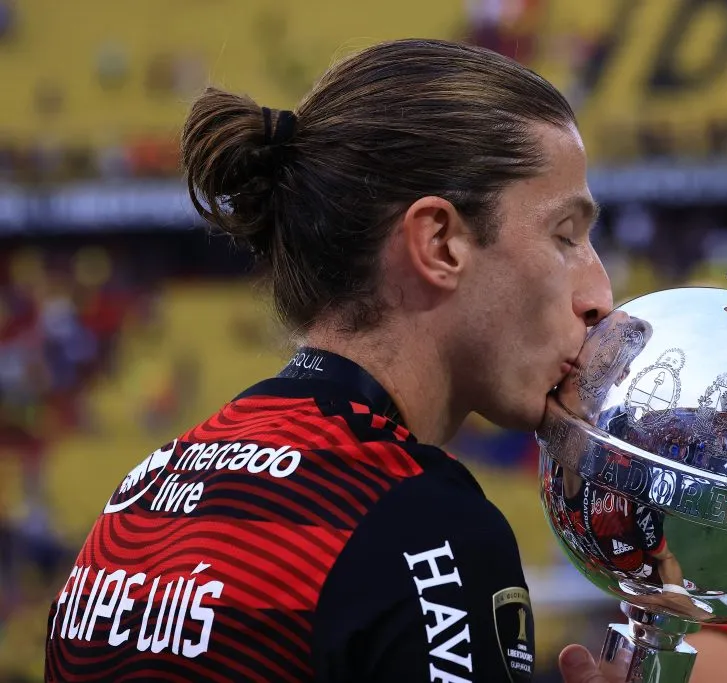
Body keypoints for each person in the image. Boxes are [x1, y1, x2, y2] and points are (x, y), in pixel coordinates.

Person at [44, 38, 615, 682]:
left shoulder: (141, 495)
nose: (600, 296)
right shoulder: (427, 529)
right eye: (565, 235)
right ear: (439, 242)